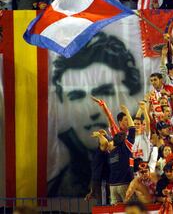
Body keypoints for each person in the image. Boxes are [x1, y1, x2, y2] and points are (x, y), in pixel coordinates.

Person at [48, 32, 142, 197]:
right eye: (76, 96)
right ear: (63, 103)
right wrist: (104, 106)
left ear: (130, 91)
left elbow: (112, 120)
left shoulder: (133, 137)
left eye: (106, 91)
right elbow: (110, 120)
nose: (91, 113)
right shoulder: (58, 185)